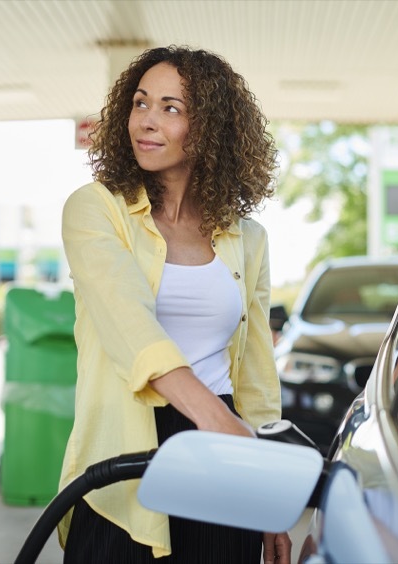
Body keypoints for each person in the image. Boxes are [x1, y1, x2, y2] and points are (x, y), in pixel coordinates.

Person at [56, 45, 291, 563]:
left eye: (171, 108)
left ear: (209, 128)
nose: (147, 121)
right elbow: (127, 321)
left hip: (221, 455)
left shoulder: (247, 238)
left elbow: (255, 373)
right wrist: (215, 419)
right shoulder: (96, 210)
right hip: (125, 450)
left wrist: (269, 489)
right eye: (140, 103)